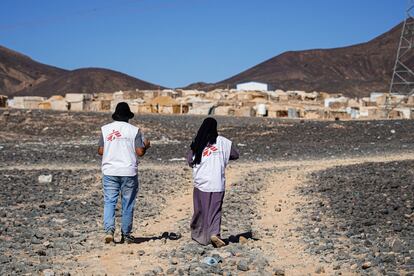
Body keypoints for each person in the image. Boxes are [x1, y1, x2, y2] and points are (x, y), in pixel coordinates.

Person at [98, 102, 150, 244]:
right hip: (128, 171)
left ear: (116, 115)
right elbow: (140, 152)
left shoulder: (105, 129)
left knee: (109, 201)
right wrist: (146, 145)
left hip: (110, 170)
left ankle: (109, 230)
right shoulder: (134, 130)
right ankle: (126, 234)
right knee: (128, 203)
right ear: (128, 117)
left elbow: (101, 151)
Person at [186, 117, 239, 247]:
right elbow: (235, 154)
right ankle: (214, 233)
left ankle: (200, 235)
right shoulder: (223, 142)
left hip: (201, 182)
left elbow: (190, 160)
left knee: (201, 209)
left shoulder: (197, 142)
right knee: (215, 209)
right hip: (217, 182)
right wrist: (221, 156)